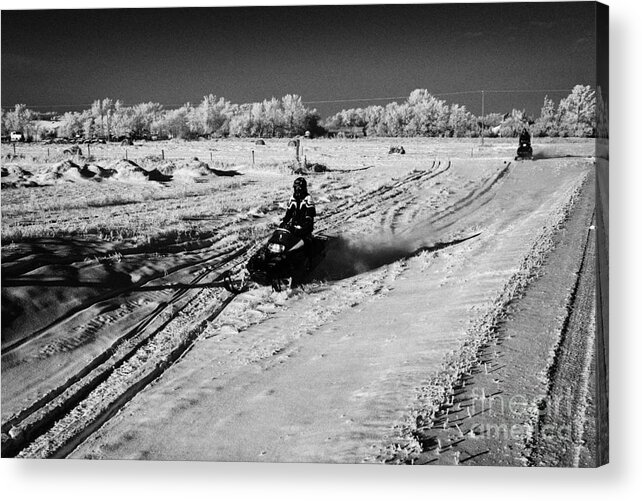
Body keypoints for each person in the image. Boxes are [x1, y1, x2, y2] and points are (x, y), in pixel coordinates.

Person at [280, 177, 316, 242]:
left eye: (298, 188)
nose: (296, 189)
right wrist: (284, 222)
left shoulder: (308, 198)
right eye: (295, 187)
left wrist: (305, 223)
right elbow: (289, 213)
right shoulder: (292, 198)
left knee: (305, 242)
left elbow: (310, 214)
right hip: (293, 225)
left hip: (305, 227)